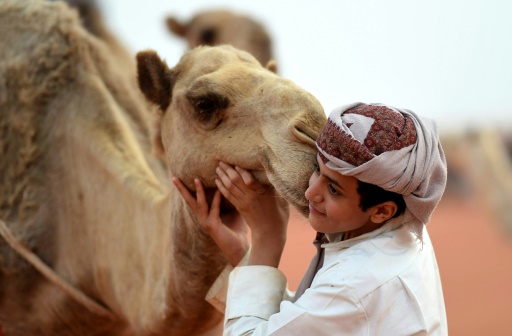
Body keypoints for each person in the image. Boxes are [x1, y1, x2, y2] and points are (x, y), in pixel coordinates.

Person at [173, 102, 448, 335]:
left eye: (333, 189)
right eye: (318, 170)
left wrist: (268, 235)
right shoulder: (401, 229)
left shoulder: (354, 284)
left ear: (381, 210)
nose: (310, 192)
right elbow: (308, 318)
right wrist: (243, 254)